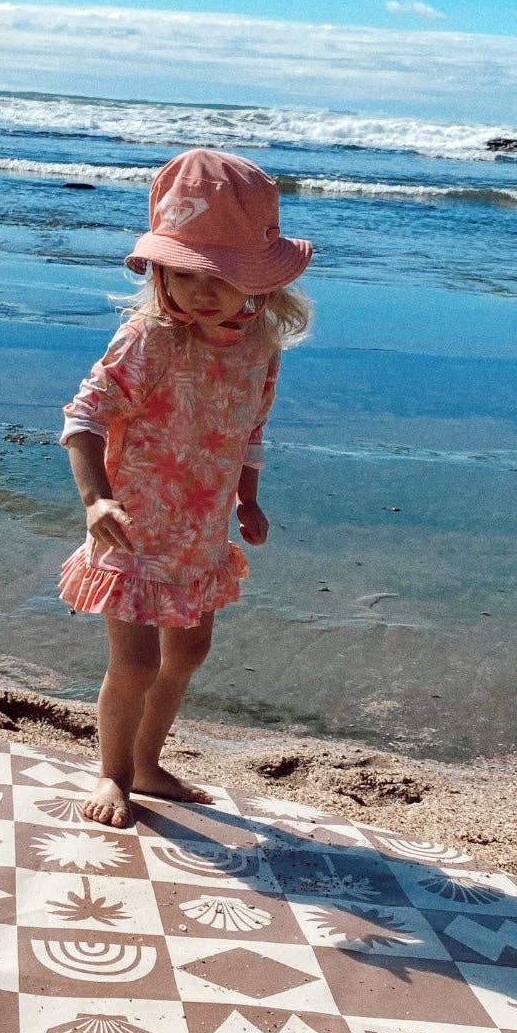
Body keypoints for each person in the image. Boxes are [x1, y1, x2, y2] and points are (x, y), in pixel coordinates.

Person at [58, 148, 312, 828]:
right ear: (160, 275)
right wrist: (95, 499)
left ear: (258, 279)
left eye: (219, 276)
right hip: (133, 532)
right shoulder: (150, 340)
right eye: (184, 274)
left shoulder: (259, 348)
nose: (201, 291)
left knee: (190, 651)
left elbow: (251, 429)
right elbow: (83, 419)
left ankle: (147, 763)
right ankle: (113, 774)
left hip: (200, 536)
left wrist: (248, 498)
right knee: (136, 663)